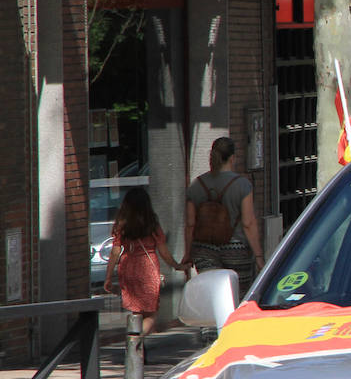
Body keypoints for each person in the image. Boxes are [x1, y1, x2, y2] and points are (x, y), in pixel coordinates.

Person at [184, 136, 264, 295]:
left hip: (204, 249)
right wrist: (258, 255)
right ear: (232, 158)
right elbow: (248, 223)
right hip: (235, 249)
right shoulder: (242, 185)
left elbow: (190, 224)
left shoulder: (196, 185)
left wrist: (188, 253)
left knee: (213, 297)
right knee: (236, 296)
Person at [103, 187, 182, 336]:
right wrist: (176, 265)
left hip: (127, 266)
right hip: (147, 267)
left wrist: (108, 277)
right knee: (151, 314)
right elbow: (163, 251)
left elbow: (115, 252)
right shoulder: (152, 224)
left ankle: (137, 351)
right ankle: (135, 342)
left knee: (136, 311)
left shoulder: (122, 225)